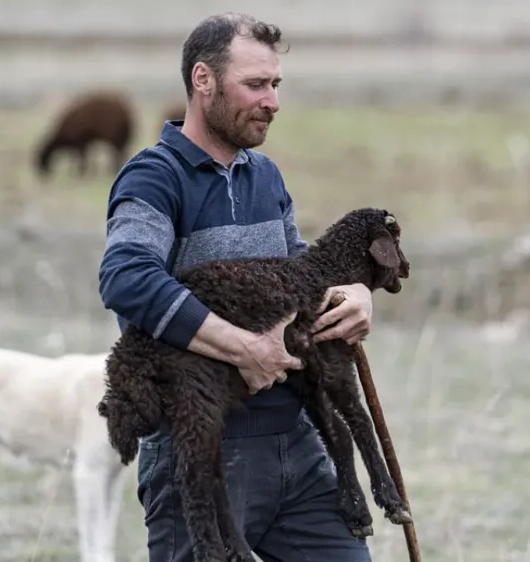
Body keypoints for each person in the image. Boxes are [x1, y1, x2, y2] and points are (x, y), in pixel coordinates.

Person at [97, 11, 377, 562]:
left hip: (298, 445)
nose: (272, 100)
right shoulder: (154, 178)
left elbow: (301, 272)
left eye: (275, 84)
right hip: (203, 453)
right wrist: (244, 348)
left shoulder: (265, 176)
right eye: (255, 84)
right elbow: (125, 277)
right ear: (203, 82)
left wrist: (353, 293)